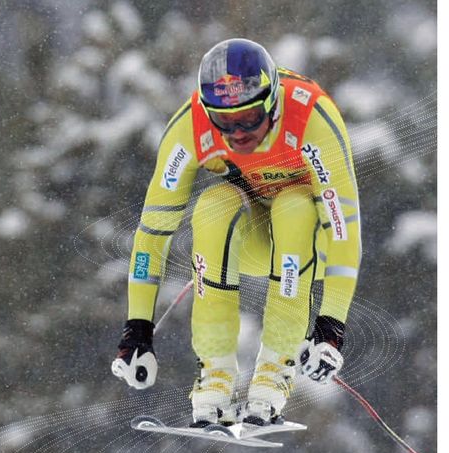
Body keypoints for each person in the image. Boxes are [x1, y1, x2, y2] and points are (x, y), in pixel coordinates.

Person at [111, 38, 360, 428]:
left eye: (250, 118)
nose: (239, 132)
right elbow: (152, 234)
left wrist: (331, 327)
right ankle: (216, 376)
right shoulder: (189, 130)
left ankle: (275, 370)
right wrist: (137, 329)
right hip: (254, 241)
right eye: (225, 122)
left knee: (294, 203)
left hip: (312, 243)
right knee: (214, 205)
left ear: (273, 103)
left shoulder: (310, 118)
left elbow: (344, 230)